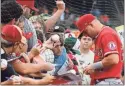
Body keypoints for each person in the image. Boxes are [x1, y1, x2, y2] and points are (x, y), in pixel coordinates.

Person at [76, 14, 123, 85]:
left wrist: (93, 66)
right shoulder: (101, 35)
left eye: (86, 31)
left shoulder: (107, 34)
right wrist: (94, 69)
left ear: (91, 25)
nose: (86, 34)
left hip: (108, 81)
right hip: (104, 81)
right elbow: (105, 63)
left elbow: (113, 59)